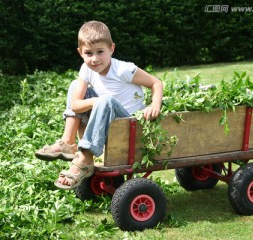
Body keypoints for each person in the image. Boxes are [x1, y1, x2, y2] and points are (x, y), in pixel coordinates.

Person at [35, 20, 163, 190]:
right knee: (75, 86)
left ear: (112, 49)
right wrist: (95, 101)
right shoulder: (86, 70)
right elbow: (75, 105)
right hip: (106, 115)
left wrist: (154, 105)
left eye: (100, 52)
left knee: (106, 99)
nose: (95, 59)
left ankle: (85, 158)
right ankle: (67, 142)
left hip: (129, 122)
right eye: (88, 53)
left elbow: (156, 83)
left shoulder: (123, 69)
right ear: (80, 52)